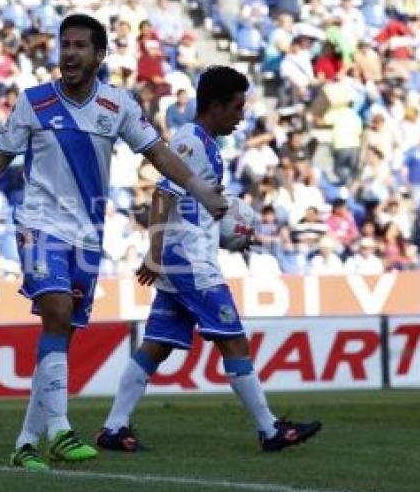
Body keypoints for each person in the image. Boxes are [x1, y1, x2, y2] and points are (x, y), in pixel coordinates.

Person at [0, 14, 228, 470]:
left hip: (87, 237)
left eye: (78, 46)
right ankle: (61, 431)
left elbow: (158, 153)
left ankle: (26, 441)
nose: (69, 53)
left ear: (99, 55)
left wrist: (200, 187)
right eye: (64, 44)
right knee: (56, 310)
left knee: (60, 335)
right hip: (39, 225)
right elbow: (0, 155)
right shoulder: (33, 102)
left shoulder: (117, 105)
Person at [96, 65, 321, 453]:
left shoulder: (207, 144)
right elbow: (162, 195)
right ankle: (270, 431)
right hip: (189, 264)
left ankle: (114, 428)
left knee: (157, 345)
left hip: (186, 259)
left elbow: (191, 207)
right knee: (234, 342)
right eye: (236, 107)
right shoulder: (190, 141)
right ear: (215, 106)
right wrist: (153, 254)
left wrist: (229, 233)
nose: (242, 116)